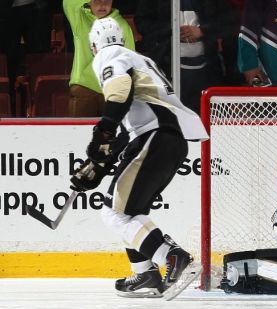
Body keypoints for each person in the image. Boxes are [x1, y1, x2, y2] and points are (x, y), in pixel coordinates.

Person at [70, 17, 207, 299]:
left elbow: (119, 91)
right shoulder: (137, 57)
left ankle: (171, 256)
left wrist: (102, 133)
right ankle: (146, 273)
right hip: (169, 140)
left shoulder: (107, 56)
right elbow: (132, 118)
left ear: (93, 46)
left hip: (154, 137)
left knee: (113, 212)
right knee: (131, 213)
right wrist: (100, 161)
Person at [135, 0, 234, 114]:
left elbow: (228, 22)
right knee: (172, 122)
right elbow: (142, 22)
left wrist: (202, 31)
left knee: (206, 120)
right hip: (165, 70)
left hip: (207, 72)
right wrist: (172, 29)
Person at [63, 0, 135, 117]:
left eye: (107, 0)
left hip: (111, 89)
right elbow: (68, 2)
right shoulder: (80, 18)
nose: (102, 4)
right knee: (78, 133)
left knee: (111, 133)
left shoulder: (123, 26)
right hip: (83, 87)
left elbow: (130, 61)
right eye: (97, 0)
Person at [0, 0, 52, 116]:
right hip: (5, 11)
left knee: (42, 63)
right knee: (7, 65)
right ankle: (9, 113)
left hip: (38, 8)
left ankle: (42, 113)